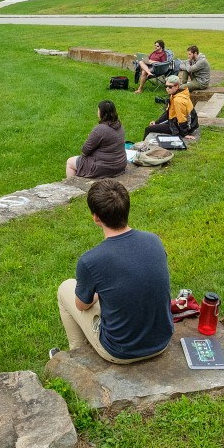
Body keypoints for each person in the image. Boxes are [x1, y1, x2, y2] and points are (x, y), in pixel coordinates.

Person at [56, 178, 173, 363]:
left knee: (65, 288)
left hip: (120, 351)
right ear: (126, 208)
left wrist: (97, 294)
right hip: (161, 342)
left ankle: (78, 355)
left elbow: (81, 306)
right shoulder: (154, 240)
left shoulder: (90, 260)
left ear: (96, 217)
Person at [66, 100, 127, 179]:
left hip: (105, 168)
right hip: (120, 165)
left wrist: (89, 138)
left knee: (70, 162)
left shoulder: (100, 129)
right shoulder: (119, 125)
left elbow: (85, 150)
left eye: (98, 110)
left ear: (102, 113)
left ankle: (71, 185)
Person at [143, 75, 198, 140]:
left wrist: (185, 134)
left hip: (186, 127)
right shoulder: (177, 94)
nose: (167, 89)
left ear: (177, 86)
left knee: (149, 129)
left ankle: (142, 145)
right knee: (154, 125)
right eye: (166, 86)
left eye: (170, 87)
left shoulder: (178, 100)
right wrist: (157, 122)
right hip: (177, 121)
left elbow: (182, 118)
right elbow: (168, 112)